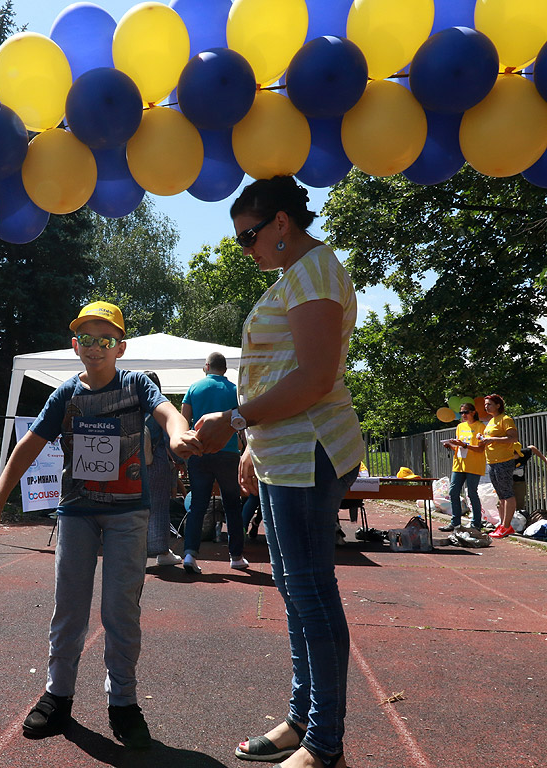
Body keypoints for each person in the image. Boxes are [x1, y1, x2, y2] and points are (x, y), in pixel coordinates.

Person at [0, 301, 199, 749]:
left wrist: (176, 433)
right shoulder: (65, 395)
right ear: (77, 346)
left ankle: (124, 704)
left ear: (121, 347)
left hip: (128, 514)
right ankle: (58, 696)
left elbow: (169, 412)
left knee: (121, 610)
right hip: (76, 512)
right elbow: (30, 445)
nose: (96, 348)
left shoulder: (136, 385)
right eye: (88, 340)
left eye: (106, 340)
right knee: (69, 607)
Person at [194, 177, 364, 768]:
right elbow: (280, 374)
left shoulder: (314, 271)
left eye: (249, 237)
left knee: (311, 595)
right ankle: (302, 720)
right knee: (296, 593)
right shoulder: (299, 276)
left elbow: (316, 377)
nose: (247, 250)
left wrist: (237, 421)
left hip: (307, 455)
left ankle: (325, 743)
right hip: (283, 455)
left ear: (282, 223)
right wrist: (252, 446)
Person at [182, 352, 249, 572]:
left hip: (199, 452)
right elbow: (243, 423)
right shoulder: (234, 390)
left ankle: (190, 554)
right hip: (228, 452)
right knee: (232, 504)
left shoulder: (194, 388)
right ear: (225, 369)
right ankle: (236, 556)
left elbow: (185, 422)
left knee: (197, 505)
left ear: (207, 366)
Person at [143, 371, 183, 567]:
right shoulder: (160, 406)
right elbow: (170, 438)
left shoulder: (132, 405)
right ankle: (162, 552)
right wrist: (179, 460)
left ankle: (135, 551)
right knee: (159, 507)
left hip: (132, 464)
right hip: (157, 461)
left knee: (135, 508)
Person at [439, 403, 486, 531]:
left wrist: (464, 445)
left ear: (473, 412)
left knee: (472, 493)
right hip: (459, 464)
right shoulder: (460, 426)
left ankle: (476, 523)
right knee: (453, 492)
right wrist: (451, 445)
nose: (463, 415)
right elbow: (459, 445)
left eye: (466, 412)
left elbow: (481, 448)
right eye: (461, 413)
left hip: (474, 465)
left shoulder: (481, 427)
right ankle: (455, 523)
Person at [481, 394, 520, 538]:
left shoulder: (505, 419)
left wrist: (492, 439)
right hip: (492, 461)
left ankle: (506, 526)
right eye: (486, 404)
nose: (486, 406)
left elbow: (513, 438)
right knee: (501, 494)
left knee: (507, 493)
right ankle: (502, 525)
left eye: (489, 404)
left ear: (498, 405)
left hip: (504, 461)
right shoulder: (491, 421)